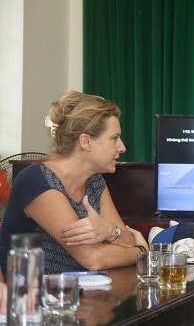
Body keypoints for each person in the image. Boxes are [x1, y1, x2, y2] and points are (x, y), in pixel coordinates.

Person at [0, 91, 149, 278]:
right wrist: (143, 253)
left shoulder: (95, 180)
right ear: (86, 141)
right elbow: (94, 258)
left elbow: (126, 242)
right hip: (29, 298)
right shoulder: (36, 181)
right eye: (114, 138)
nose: (122, 147)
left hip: (78, 294)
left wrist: (111, 231)